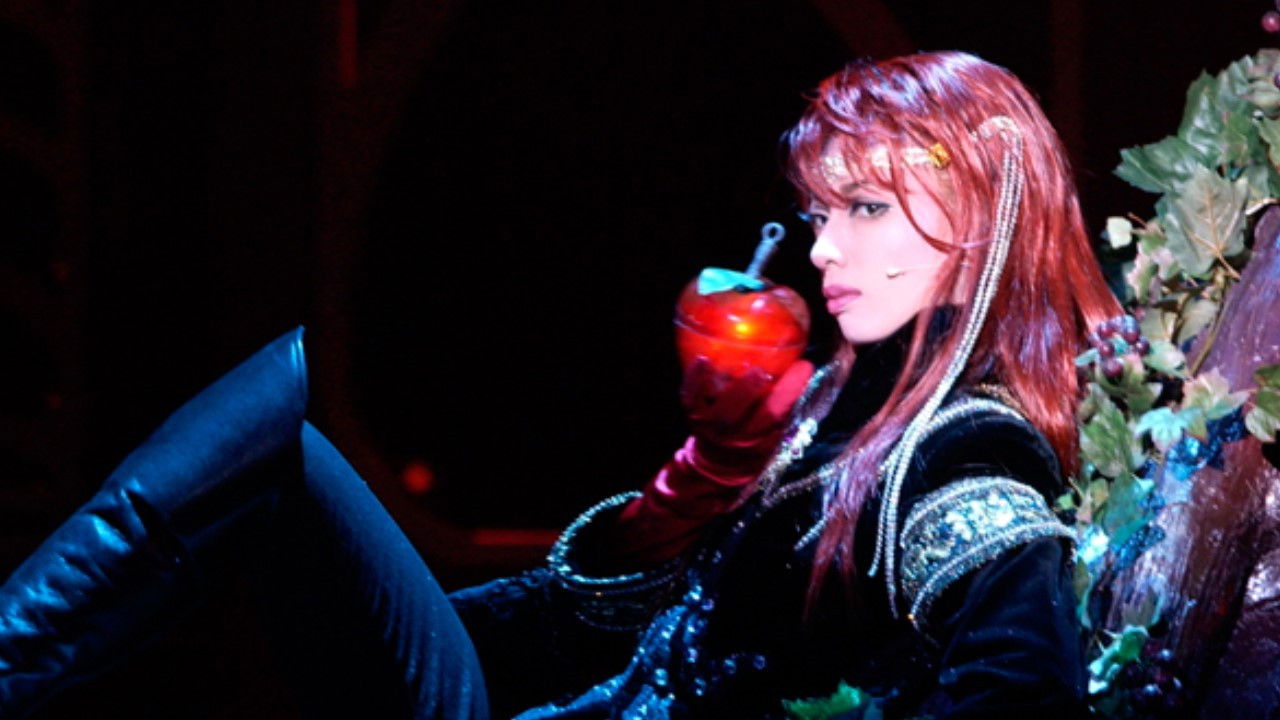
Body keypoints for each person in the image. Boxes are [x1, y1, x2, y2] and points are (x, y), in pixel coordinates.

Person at [0, 51, 1118, 719]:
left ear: (985, 223)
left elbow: (1021, 689)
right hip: (541, 691)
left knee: (274, 432)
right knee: (264, 434)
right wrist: (690, 492)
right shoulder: (842, 411)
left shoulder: (962, 448)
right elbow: (615, 625)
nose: (823, 248)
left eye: (864, 209)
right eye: (820, 212)